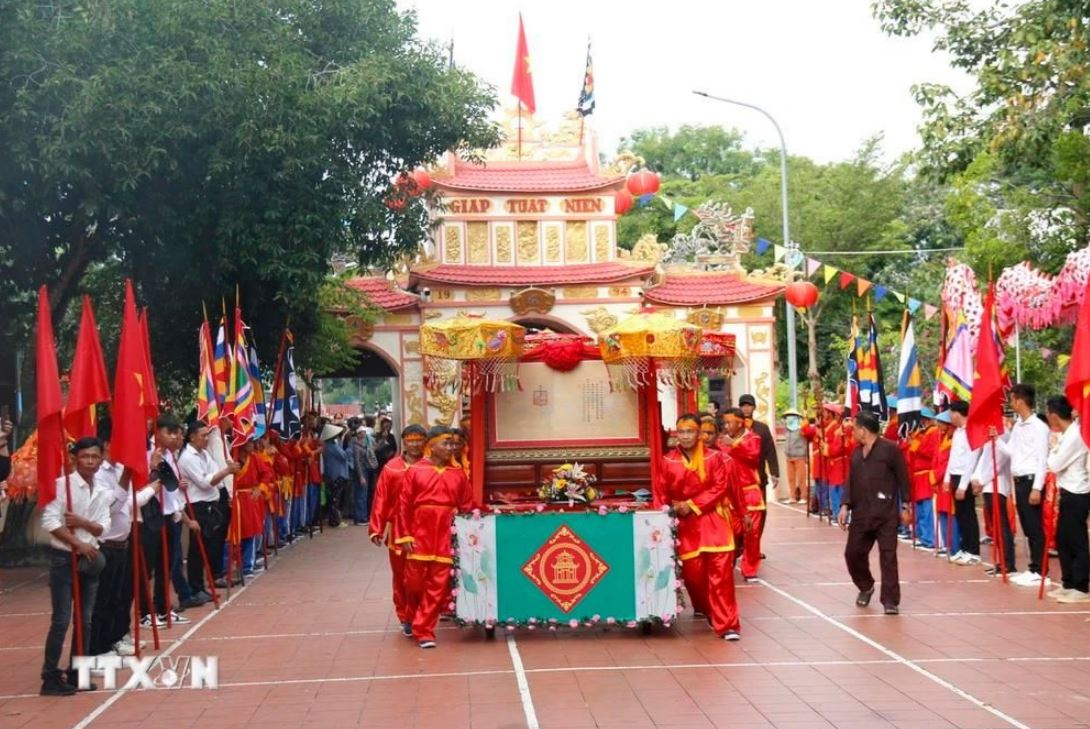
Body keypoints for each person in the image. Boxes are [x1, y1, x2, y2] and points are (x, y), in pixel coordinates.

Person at [659, 414, 743, 640]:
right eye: (682, 431)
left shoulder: (714, 458)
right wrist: (667, 512)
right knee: (693, 575)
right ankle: (709, 609)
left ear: (698, 434)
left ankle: (727, 624)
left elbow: (720, 487)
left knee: (721, 576)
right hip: (685, 526)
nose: (685, 436)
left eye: (690, 431)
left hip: (714, 522)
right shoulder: (668, 461)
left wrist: (692, 504)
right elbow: (661, 493)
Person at [40, 437, 111, 696]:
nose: (90, 461)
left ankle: (76, 670)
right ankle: (49, 676)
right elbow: (50, 522)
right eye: (85, 457)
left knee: (85, 619)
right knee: (61, 619)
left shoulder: (102, 490)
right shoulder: (62, 487)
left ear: (102, 459)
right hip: (63, 560)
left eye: (95, 457)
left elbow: (103, 526)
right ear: (74, 459)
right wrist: (77, 543)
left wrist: (82, 522)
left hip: (90, 559)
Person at [394, 426, 473, 649]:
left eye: (452, 444)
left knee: (438, 584)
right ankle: (412, 615)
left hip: (445, 533)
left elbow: (467, 506)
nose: (450, 448)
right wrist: (405, 535)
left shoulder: (458, 474)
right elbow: (404, 506)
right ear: (432, 445)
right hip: (419, 532)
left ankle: (424, 629)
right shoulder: (416, 471)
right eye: (445, 444)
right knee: (414, 583)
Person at [88, 429, 157, 659]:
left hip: (122, 542)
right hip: (104, 544)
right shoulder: (99, 475)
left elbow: (130, 502)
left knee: (120, 596)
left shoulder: (119, 469)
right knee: (102, 600)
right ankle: (97, 647)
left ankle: (112, 640)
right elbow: (116, 507)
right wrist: (148, 489)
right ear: (107, 444)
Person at [837, 413, 911, 615]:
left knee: (888, 557)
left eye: (855, 429)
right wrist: (844, 505)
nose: (853, 433)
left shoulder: (890, 450)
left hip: (885, 514)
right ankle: (866, 585)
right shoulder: (856, 453)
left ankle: (890, 600)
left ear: (864, 430)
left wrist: (906, 506)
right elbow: (850, 481)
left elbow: (903, 478)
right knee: (852, 554)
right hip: (861, 514)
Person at [369, 424, 427, 636]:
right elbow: (381, 499)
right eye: (411, 440)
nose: (415, 444)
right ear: (403, 441)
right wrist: (377, 527)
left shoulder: (430, 466)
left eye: (419, 439)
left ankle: (422, 613)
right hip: (398, 531)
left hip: (424, 529)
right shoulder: (391, 468)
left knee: (423, 575)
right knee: (402, 576)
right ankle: (406, 616)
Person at [178, 422, 240, 594]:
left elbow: (214, 477)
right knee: (197, 548)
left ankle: (204, 584)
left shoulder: (204, 454)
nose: (206, 439)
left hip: (211, 505)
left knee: (208, 545)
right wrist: (226, 471)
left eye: (207, 435)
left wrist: (226, 491)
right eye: (203, 435)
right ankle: (196, 587)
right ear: (192, 436)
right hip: (197, 506)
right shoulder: (188, 458)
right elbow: (205, 482)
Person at [1000, 384, 1051, 587]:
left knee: (1034, 527)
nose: (1011, 404)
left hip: (1031, 480)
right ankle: (1034, 567)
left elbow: (1042, 459)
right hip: (1019, 480)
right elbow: (1011, 451)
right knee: (1028, 527)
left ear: (1020, 400)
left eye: (1012, 400)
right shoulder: (1018, 427)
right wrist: (996, 439)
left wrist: (1037, 487)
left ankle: (1041, 570)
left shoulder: (1039, 427)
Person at [1044, 396, 1089, 603]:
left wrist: (1052, 449)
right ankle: (1068, 582)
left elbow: (1054, 464)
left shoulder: (1076, 435)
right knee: (1063, 539)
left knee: (1076, 539)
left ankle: (1081, 586)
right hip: (1067, 491)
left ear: (1054, 415)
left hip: (1078, 492)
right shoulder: (1067, 434)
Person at [720, 408, 765, 581]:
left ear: (740, 423)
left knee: (751, 534)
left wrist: (734, 444)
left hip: (749, 493)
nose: (726, 426)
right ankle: (727, 563)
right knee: (729, 531)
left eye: (729, 422)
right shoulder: (723, 441)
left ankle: (750, 569)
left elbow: (752, 456)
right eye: (725, 422)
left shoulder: (753, 438)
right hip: (729, 494)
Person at [972, 413, 1017, 577]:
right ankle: (1001, 561)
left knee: (1002, 525)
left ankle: (1008, 562)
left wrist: (982, 480)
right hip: (988, 485)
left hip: (998, 484)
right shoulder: (990, 433)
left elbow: (999, 461)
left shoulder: (1003, 433)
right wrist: (976, 478)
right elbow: (984, 457)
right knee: (995, 526)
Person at [943, 401, 982, 565]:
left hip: (965, 477)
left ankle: (973, 551)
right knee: (960, 515)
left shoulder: (971, 431)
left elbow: (972, 459)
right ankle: (965, 548)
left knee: (968, 515)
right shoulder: (958, 432)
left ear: (958, 413)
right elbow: (953, 457)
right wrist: (946, 478)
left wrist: (963, 485)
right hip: (955, 475)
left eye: (951, 413)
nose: (950, 417)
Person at [906, 409, 939, 549]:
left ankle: (929, 538)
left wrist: (915, 444)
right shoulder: (921, 433)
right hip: (916, 475)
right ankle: (921, 535)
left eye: (925, 418)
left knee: (926, 508)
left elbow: (929, 451)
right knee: (919, 508)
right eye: (921, 419)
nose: (923, 421)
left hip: (925, 474)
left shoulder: (934, 432)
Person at [738, 394, 779, 505]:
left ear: (754, 407)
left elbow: (770, 451)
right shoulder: (735, 428)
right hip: (740, 477)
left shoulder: (762, 428)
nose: (746, 408)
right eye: (743, 405)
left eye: (749, 405)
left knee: (760, 510)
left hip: (759, 475)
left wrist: (774, 472)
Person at [931, 410, 959, 557]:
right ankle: (947, 544)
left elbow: (947, 462)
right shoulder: (942, 439)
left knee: (951, 514)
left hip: (947, 481)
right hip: (940, 482)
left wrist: (934, 477)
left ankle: (954, 546)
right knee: (941, 512)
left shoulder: (954, 439)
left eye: (941, 423)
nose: (938, 426)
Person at [320, 422, 349, 527]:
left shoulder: (330, 445)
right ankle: (335, 520)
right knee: (335, 498)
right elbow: (344, 456)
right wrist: (349, 449)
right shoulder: (331, 446)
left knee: (334, 498)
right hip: (337, 474)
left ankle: (334, 519)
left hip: (332, 473)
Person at [351, 426, 378, 525]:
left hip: (365, 470)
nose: (364, 434)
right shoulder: (356, 446)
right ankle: (360, 518)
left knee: (363, 494)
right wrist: (361, 476)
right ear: (358, 434)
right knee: (361, 495)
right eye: (362, 432)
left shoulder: (363, 445)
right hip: (361, 471)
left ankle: (363, 516)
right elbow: (357, 462)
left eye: (364, 432)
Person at [782, 410, 807, 504]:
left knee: (801, 478)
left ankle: (803, 497)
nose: (789, 418)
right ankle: (792, 496)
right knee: (791, 478)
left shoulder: (801, 429)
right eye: (788, 416)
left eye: (792, 416)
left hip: (799, 456)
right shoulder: (786, 429)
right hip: (789, 456)